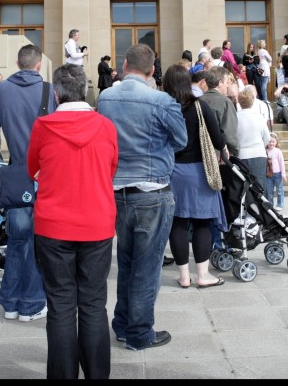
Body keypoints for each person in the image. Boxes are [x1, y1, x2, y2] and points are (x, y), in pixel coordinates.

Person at [27, 64, 118, 379]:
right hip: (96, 222)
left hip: (53, 225)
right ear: (85, 91)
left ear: (56, 93)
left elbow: (32, 168)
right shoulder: (105, 126)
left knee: (62, 306)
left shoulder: (43, 126)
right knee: (93, 305)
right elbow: (110, 167)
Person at [96, 44, 187, 351]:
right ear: (152, 71)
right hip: (152, 190)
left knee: (125, 261)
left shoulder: (105, 97)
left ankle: (122, 324)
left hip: (117, 190)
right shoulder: (160, 100)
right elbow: (181, 139)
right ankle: (139, 333)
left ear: (123, 65)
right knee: (147, 267)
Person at [0, 44, 58, 324]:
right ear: (39, 64)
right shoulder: (49, 90)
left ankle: (11, 301)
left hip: (16, 173)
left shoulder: (1, 90)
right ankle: (31, 302)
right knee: (38, 242)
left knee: (17, 240)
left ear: (18, 63)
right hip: (45, 175)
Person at [161, 64, 227, 290]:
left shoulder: (163, 108)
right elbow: (218, 139)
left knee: (177, 223)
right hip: (199, 171)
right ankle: (202, 275)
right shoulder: (200, 107)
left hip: (172, 171)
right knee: (202, 224)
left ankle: (183, 276)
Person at [236, 87, 272, 184]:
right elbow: (267, 137)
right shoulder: (259, 117)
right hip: (258, 153)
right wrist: (260, 145)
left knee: (243, 185)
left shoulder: (236, 117)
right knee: (259, 186)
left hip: (241, 154)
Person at [264, 133, 287, 211]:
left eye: (273, 141)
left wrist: (283, 174)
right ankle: (270, 205)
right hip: (268, 174)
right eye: (269, 141)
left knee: (279, 190)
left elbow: (281, 163)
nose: (271, 143)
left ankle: (280, 204)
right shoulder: (265, 151)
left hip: (278, 173)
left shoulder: (278, 151)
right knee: (269, 191)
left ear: (276, 142)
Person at [255, 39, 272, 103]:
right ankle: (265, 99)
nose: (265, 44)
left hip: (259, 67)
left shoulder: (257, 51)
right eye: (264, 43)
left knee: (261, 83)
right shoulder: (264, 51)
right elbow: (270, 58)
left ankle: (261, 97)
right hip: (265, 67)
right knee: (264, 84)